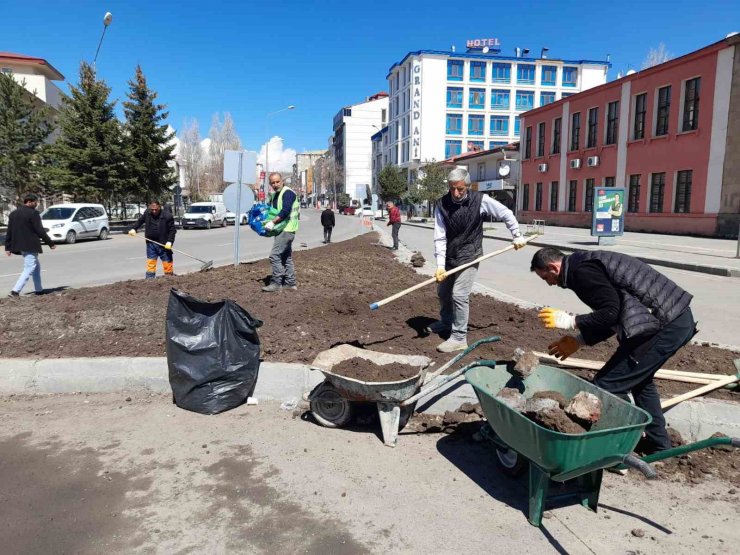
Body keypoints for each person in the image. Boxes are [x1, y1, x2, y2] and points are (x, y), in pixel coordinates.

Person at [531, 247, 697, 454]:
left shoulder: (581, 272)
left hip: (664, 324)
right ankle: (659, 445)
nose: (549, 283)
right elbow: (616, 314)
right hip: (671, 319)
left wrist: (571, 320)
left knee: (608, 386)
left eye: (545, 277)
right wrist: (580, 340)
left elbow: (611, 313)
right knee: (640, 382)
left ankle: (618, 446)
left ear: (553, 267)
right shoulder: (582, 264)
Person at [429, 168, 527, 353]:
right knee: (443, 292)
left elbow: (505, 213)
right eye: (452, 189)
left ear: (467, 186)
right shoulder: (442, 204)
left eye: (460, 189)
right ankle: (446, 321)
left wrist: (517, 235)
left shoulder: (480, 200)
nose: (455, 193)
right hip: (450, 255)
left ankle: (458, 337)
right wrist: (440, 265)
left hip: (470, 254)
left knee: (459, 295)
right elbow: (440, 236)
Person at [4, 193, 56, 297]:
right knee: (29, 267)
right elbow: (40, 230)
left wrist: (7, 247)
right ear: (29, 202)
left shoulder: (14, 213)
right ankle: (15, 291)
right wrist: (50, 243)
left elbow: (9, 231)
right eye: (35, 202)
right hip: (30, 244)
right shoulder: (33, 213)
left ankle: (39, 289)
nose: (36, 204)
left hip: (20, 245)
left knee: (36, 267)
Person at [262, 172, 299, 292]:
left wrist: (272, 222)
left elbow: (285, 210)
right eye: (273, 182)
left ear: (282, 181)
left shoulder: (287, 193)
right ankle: (290, 283)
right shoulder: (276, 195)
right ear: (270, 184)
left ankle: (276, 283)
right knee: (285, 257)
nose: (275, 184)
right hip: (284, 229)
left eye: (277, 181)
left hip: (286, 229)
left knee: (274, 255)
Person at [128, 200, 176, 279]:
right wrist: (134, 229)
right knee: (151, 263)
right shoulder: (147, 213)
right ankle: (149, 280)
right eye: (152, 209)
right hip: (150, 243)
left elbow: (172, 230)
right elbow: (140, 221)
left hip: (163, 244)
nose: (154, 211)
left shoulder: (167, 216)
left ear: (159, 207)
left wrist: (170, 241)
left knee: (167, 263)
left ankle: (169, 279)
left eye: (156, 209)